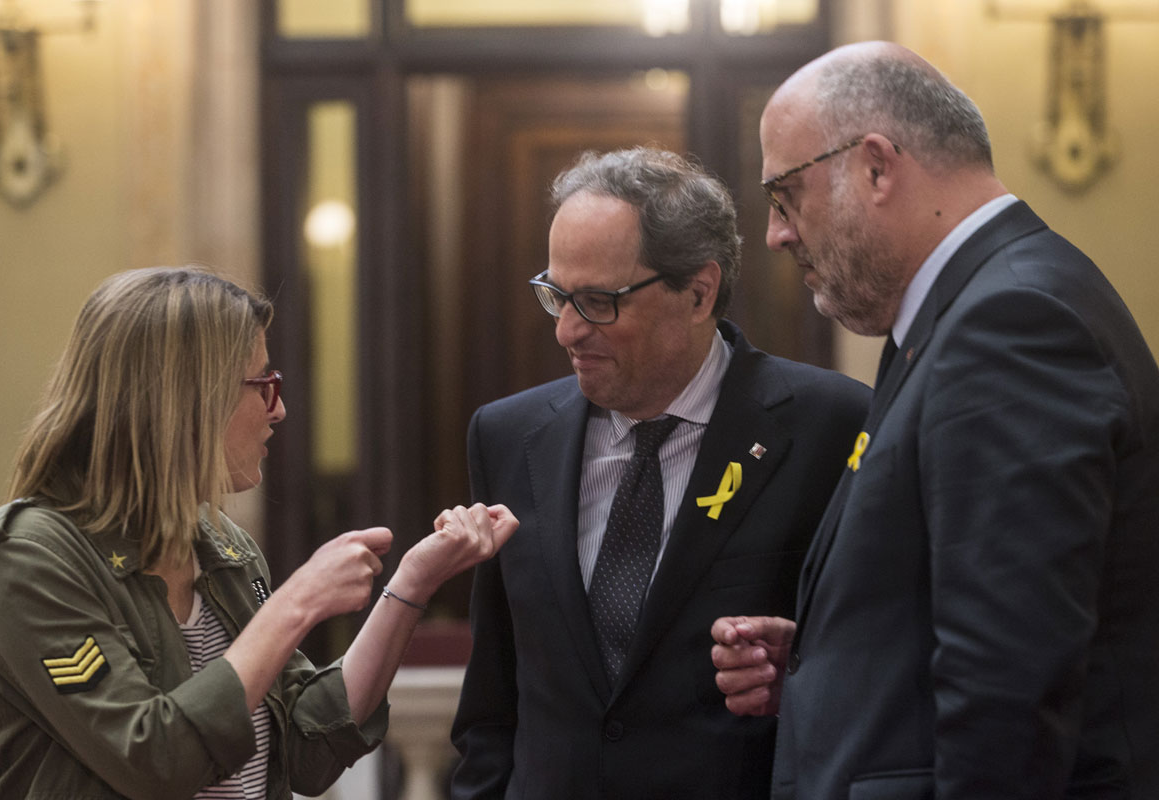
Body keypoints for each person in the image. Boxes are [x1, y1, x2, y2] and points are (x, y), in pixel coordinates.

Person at [711, 41, 1159, 799]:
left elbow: (1009, 685)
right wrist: (834, 657)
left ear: (876, 167)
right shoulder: (968, 312)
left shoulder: (1010, 323)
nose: (777, 234)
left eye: (785, 195)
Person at [0, 266, 518, 800]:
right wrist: (297, 602)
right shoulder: (33, 556)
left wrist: (411, 586)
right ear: (183, 398)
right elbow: (153, 760)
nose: (279, 410)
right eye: (263, 384)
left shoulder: (221, 545)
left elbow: (309, 747)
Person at [449, 147, 871, 799]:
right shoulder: (507, 438)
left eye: (596, 302)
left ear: (699, 292)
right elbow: (493, 702)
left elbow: (877, 664)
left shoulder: (830, 428)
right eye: (556, 296)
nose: (566, 331)